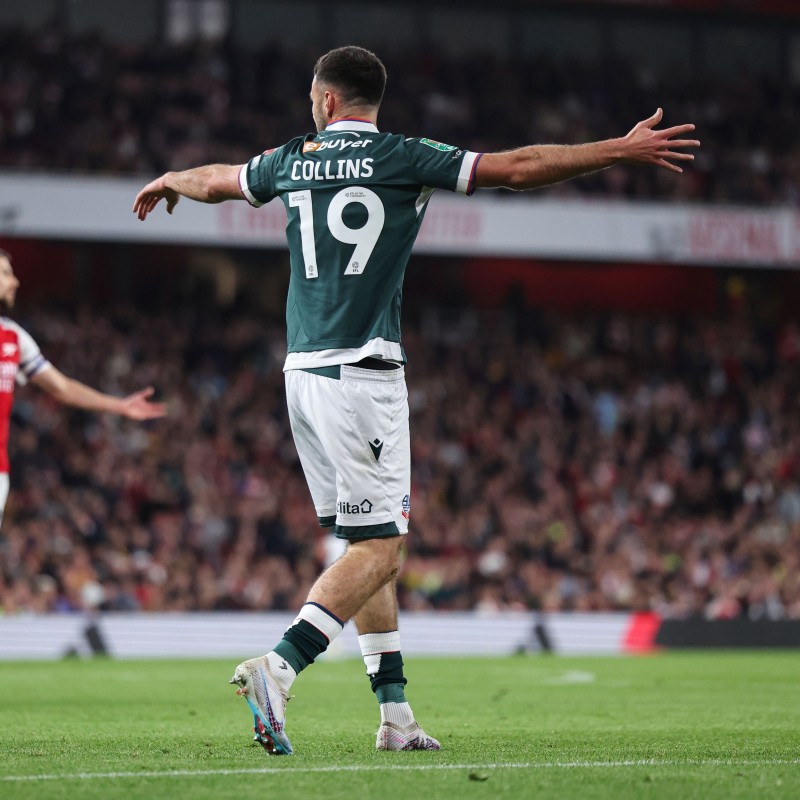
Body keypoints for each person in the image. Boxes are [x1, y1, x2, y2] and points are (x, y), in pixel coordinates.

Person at [133, 45, 699, 755]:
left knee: (364, 545)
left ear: (328, 100)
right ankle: (280, 666)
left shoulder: (291, 158)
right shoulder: (405, 155)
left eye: (314, 96)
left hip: (303, 372)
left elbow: (220, 180)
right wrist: (616, 149)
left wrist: (170, 180)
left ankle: (394, 714)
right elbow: (517, 170)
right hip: (362, 374)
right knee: (382, 547)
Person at [0, 249, 167, 526]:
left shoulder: (13, 337)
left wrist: (118, 405)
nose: (15, 281)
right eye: (5, 273)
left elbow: (62, 388)